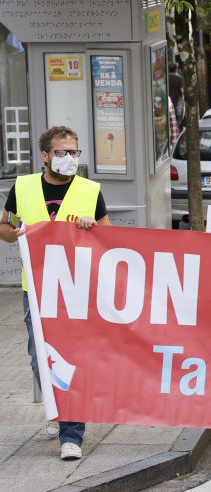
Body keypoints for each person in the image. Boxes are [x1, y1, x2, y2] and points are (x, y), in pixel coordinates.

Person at [0, 126, 111, 460]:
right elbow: (4, 227)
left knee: (70, 359)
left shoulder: (90, 191)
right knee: (40, 358)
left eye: (74, 152)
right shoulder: (22, 187)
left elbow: (109, 237)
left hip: (75, 289)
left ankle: (71, 436)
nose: (69, 158)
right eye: (61, 152)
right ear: (45, 155)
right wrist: (15, 231)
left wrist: (92, 228)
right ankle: (56, 406)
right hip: (35, 288)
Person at [167, 63, 184, 130]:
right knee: (178, 122)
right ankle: (178, 134)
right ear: (176, 70)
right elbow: (182, 91)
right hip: (178, 102)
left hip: (169, 103)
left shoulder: (166, 79)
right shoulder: (179, 79)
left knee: (170, 121)